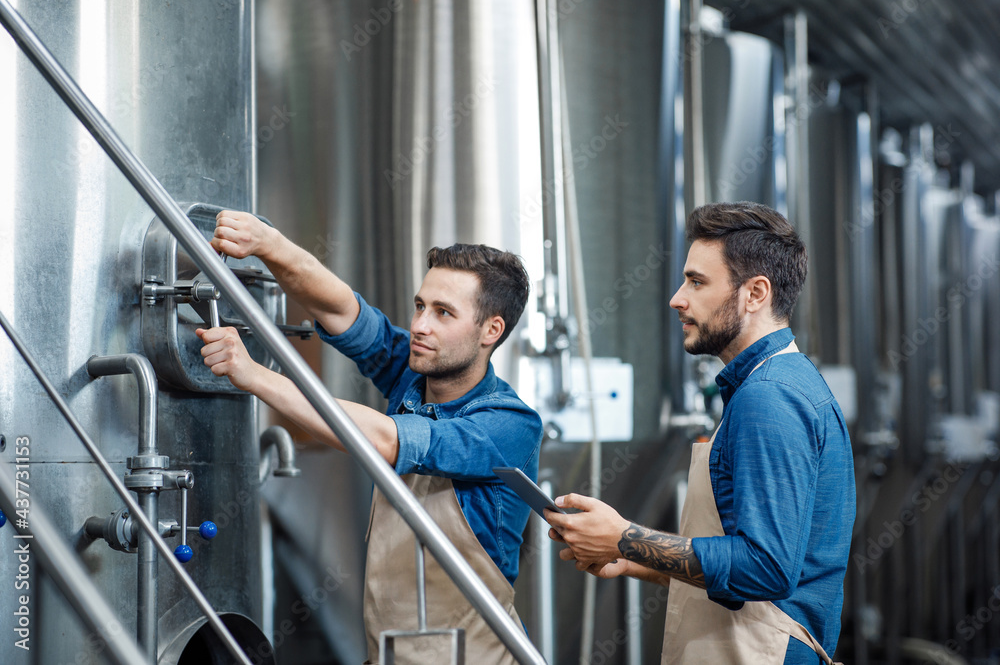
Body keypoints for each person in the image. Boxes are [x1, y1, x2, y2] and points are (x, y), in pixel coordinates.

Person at [196, 210, 542, 664]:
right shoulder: (414, 375)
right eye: (420, 306)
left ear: (491, 330)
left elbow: (386, 440)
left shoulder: (510, 424)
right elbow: (340, 308)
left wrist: (253, 375)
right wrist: (269, 243)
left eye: (443, 313)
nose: (420, 325)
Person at [545, 202, 855, 664]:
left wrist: (626, 536)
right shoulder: (772, 383)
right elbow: (746, 571)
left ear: (755, 294)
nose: (677, 298)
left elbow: (767, 569)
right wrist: (637, 560)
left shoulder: (768, 397)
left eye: (696, 281)